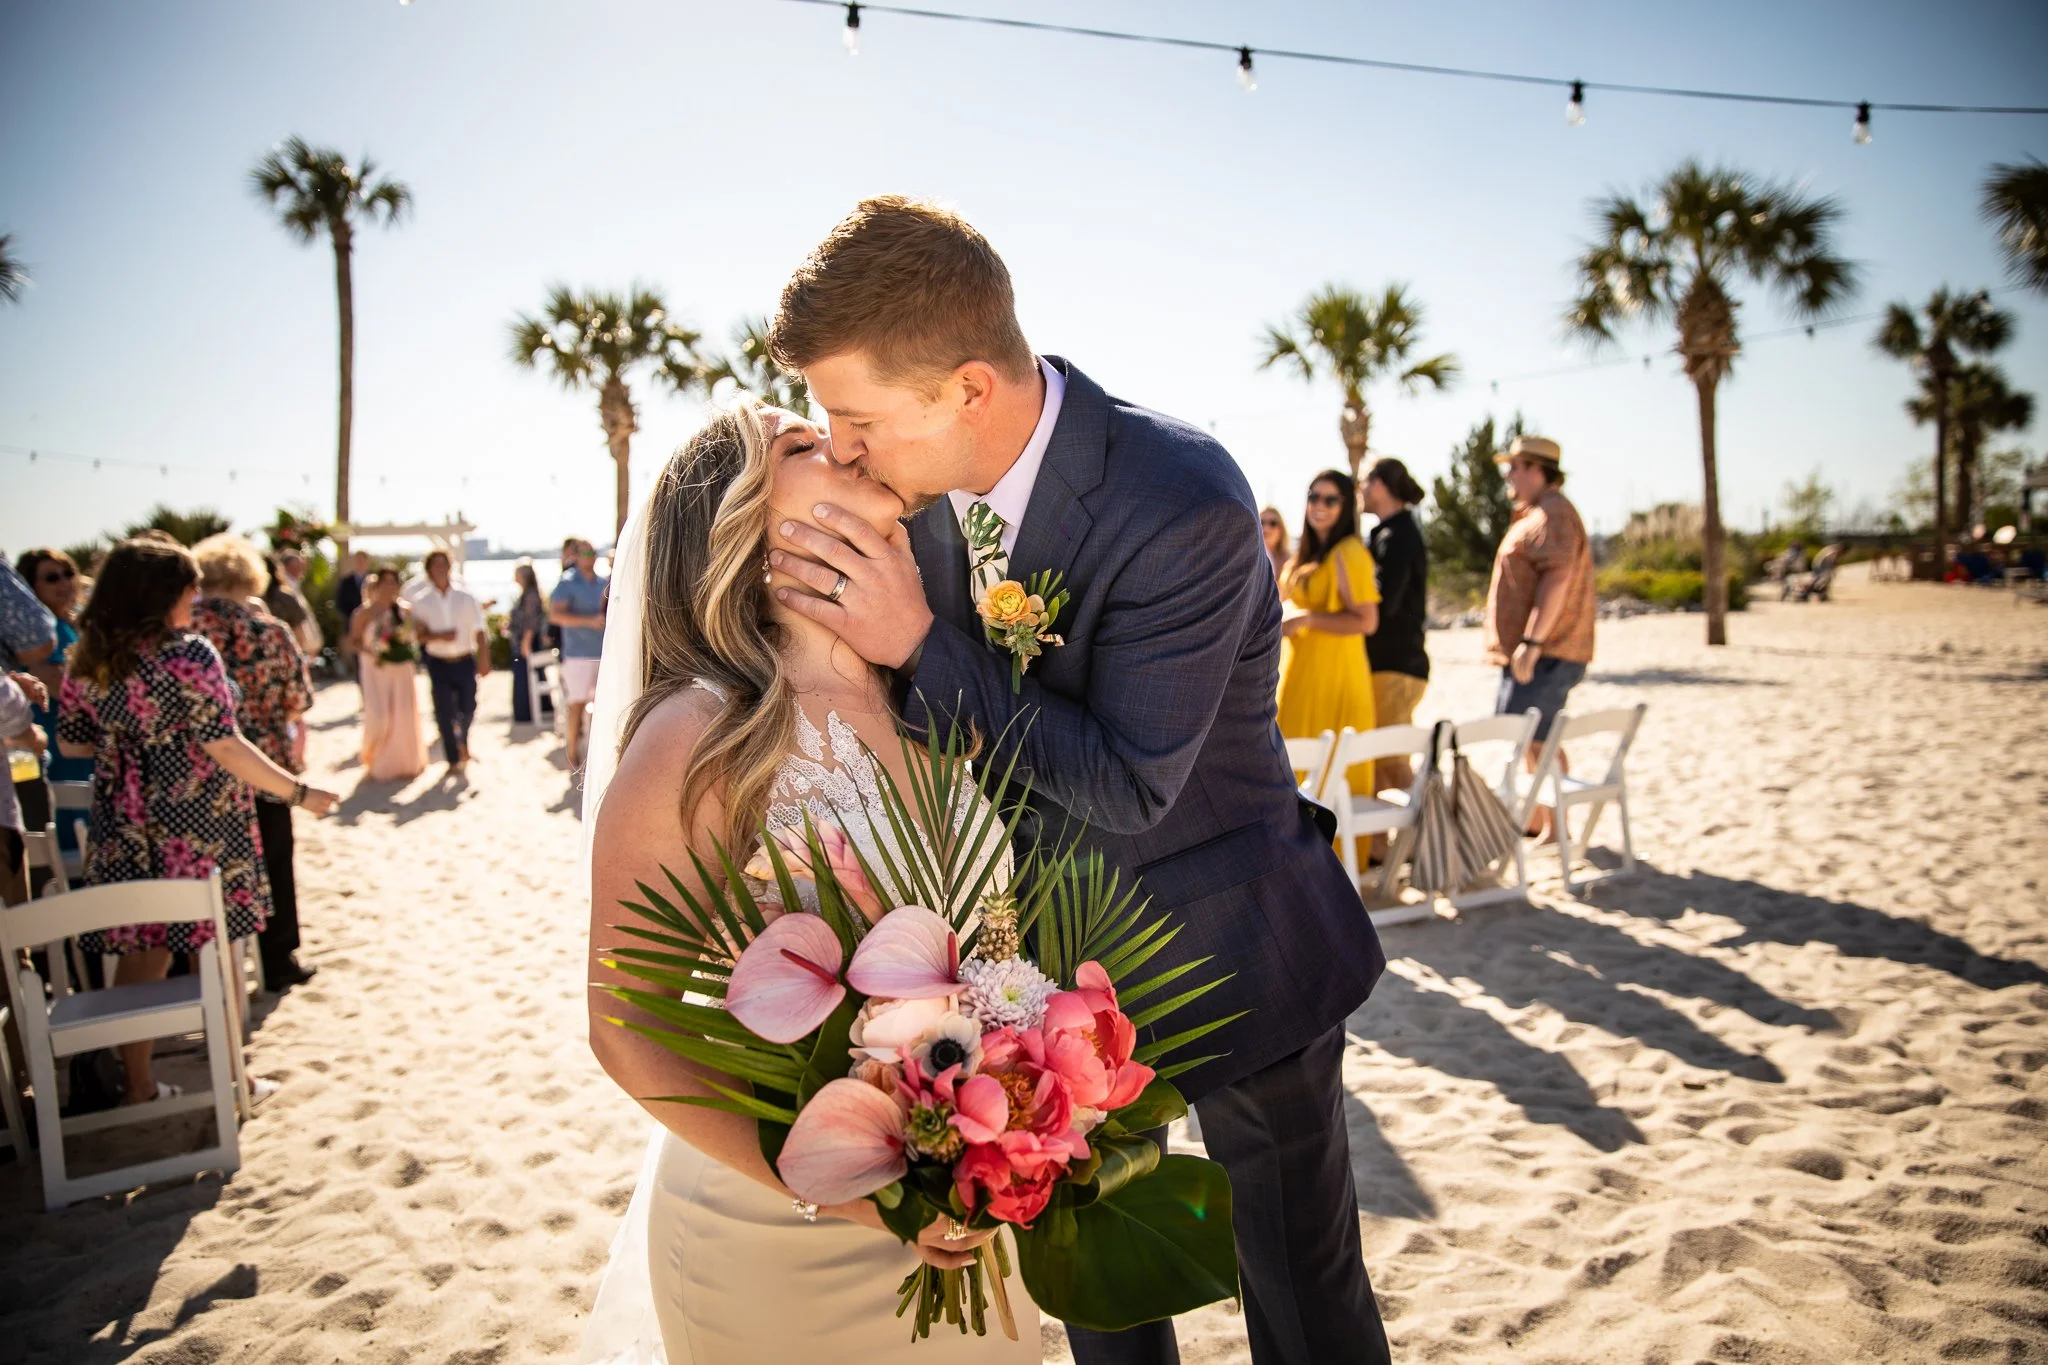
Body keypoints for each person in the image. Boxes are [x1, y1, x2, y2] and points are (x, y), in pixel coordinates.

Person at [763, 196, 1389, 1365]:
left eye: (855, 419)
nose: (842, 449)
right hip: (1042, 986)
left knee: (1301, 1297)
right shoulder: (918, 502)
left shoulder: (1182, 500)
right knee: (1097, 1306)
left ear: (966, 389)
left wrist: (915, 643)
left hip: (1235, 947)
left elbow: (1127, 781)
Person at [581, 398, 1038, 1364]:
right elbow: (625, 1029)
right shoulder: (700, 734)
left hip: (967, 1211)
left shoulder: (929, 692)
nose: (842, 445)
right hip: (775, 1232)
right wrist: (844, 1190)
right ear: (740, 523)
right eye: (801, 446)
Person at [54, 537, 336, 1105]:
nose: (196, 597)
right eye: (189, 588)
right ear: (163, 595)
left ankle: (137, 1083)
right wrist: (299, 793)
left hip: (125, 823)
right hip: (199, 820)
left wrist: (133, 745)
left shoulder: (91, 657)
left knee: (144, 948)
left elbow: (72, 743)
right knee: (220, 949)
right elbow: (223, 745)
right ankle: (238, 1078)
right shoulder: (189, 655)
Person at [190, 534, 319, 989]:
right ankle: (278, 959)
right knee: (274, 858)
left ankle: (207, 965)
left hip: (198, 772)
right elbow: (299, 699)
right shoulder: (269, 632)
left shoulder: (182, 633)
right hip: (266, 763)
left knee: (204, 867)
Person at [1484, 435, 1596, 841]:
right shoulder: (1538, 513)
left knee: (1538, 738)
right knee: (1532, 738)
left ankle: (1556, 824)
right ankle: (1543, 820)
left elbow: (1558, 578)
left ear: (1535, 469)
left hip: (1547, 651)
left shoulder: (1554, 513)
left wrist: (1532, 643)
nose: (1508, 476)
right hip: (1536, 651)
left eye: (1514, 467)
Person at [1277, 469, 1383, 811]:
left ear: (1345, 506)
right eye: (1313, 497)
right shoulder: (1306, 555)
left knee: (1331, 777)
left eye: (1330, 499)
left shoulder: (1349, 551)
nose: (1319, 506)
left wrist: (1308, 619)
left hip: (1335, 679)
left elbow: (1367, 621)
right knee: (1293, 768)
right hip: (1299, 677)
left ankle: (1337, 861)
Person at [1361, 458, 1430, 795]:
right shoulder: (1394, 532)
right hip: (1393, 667)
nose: (1359, 489)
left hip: (1396, 668)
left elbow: (1384, 603)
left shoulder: (1397, 536)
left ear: (1378, 485)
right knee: (1379, 762)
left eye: (1362, 482)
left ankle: (1432, 841)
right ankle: (1384, 849)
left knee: (1393, 761)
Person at [408, 550, 491, 776]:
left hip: (465, 660)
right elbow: (416, 636)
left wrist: (484, 659)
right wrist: (438, 636)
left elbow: (480, 630)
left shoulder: (466, 597)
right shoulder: (421, 601)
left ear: (449, 567)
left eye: (443, 564)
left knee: (469, 707)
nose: (440, 569)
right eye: (435, 565)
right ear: (428, 570)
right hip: (438, 663)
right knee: (443, 711)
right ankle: (453, 759)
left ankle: (462, 741)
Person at [350, 570, 430, 781]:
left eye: (393, 582)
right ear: (376, 586)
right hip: (375, 669)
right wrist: (375, 650)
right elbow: (354, 641)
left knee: (403, 714)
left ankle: (404, 763)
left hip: (401, 668)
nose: (389, 587)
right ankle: (375, 758)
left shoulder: (405, 610)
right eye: (384, 582)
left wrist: (405, 640)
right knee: (380, 715)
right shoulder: (364, 613)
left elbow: (419, 631)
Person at [549, 540, 607, 775]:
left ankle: (595, 756)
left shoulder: (604, 582)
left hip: (602, 653)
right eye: (583, 552)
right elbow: (555, 615)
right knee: (576, 705)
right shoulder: (567, 582)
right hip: (577, 655)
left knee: (601, 707)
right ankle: (572, 755)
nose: (588, 556)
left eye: (592, 552)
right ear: (576, 556)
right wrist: (588, 621)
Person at [507, 559, 547, 725]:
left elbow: (531, 622)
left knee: (526, 677)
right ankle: (530, 711)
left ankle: (527, 713)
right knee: (526, 676)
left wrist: (526, 643)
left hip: (526, 644)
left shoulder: (530, 596)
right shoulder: (525, 594)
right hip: (522, 642)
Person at [1259, 505, 1290, 585]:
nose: (1266, 528)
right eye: (1261, 522)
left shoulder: (1292, 562)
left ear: (1281, 529)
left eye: (1273, 523)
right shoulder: (1251, 558)